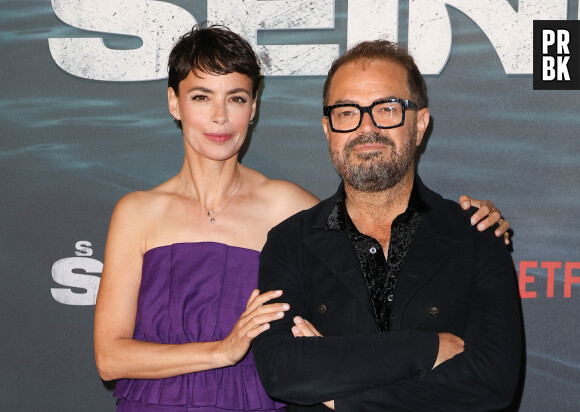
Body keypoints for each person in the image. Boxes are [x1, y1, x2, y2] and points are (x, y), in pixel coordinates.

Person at [94, 26, 510, 411]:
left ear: (253, 107)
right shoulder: (137, 212)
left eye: (236, 98)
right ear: (174, 102)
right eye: (201, 96)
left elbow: (371, 221)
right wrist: (223, 350)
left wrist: (474, 222)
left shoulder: (289, 208)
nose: (219, 116)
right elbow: (109, 358)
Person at [253, 40, 522, 411]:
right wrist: (427, 348)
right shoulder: (289, 242)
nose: (367, 128)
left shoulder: (477, 236)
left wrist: (341, 397)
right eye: (346, 112)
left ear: (420, 125)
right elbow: (283, 371)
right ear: (328, 129)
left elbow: (490, 383)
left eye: (387, 108)